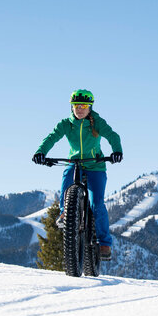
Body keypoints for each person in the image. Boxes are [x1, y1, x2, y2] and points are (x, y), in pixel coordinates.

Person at [32, 89, 123, 260]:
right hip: (75, 163)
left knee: (97, 204)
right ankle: (65, 213)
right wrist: (40, 152)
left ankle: (104, 244)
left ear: (90, 107)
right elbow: (51, 138)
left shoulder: (97, 122)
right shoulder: (66, 124)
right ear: (71, 107)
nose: (79, 109)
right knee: (66, 184)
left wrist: (117, 151)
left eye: (83, 106)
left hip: (95, 166)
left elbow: (112, 135)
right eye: (76, 105)